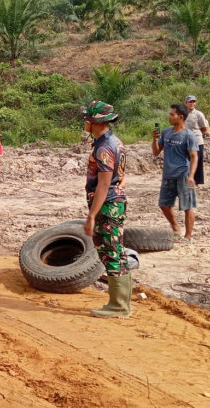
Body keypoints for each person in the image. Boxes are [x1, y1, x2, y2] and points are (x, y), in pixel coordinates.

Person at [81, 101, 130, 318]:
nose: (85, 123)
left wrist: (91, 216)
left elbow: (103, 184)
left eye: (88, 119)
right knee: (116, 251)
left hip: (107, 203)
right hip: (114, 201)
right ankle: (120, 303)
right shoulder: (115, 142)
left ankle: (118, 306)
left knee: (110, 251)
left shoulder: (104, 148)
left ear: (95, 122)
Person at [152, 104, 198, 242]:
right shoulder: (166, 133)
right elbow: (156, 152)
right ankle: (176, 227)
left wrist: (191, 176)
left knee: (187, 206)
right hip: (167, 175)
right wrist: (154, 139)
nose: (169, 116)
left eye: (172, 114)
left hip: (183, 175)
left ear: (181, 117)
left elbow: (194, 156)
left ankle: (188, 236)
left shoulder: (189, 136)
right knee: (164, 204)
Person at [183, 95, 210, 187]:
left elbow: (203, 128)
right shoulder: (182, 114)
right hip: (184, 140)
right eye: (190, 102)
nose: (192, 104)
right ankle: (186, 180)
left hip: (197, 141)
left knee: (197, 161)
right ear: (185, 103)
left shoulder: (199, 114)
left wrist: (196, 134)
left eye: (193, 102)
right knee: (185, 161)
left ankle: (197, 182)